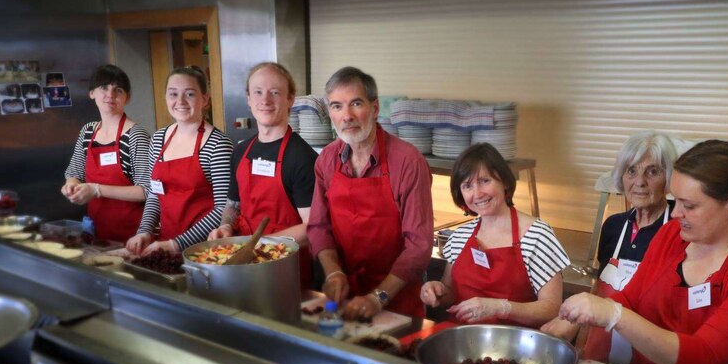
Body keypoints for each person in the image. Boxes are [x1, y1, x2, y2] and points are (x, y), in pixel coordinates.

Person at [544, 140, 728, 364]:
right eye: (675, 200)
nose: (676, 213)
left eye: (688, 205)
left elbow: (704, 356)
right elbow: (630, 298)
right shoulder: (673, 236)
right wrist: (575, 319)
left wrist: (612, 314)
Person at [307, 66, 433, 319]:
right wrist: (333, 272)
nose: (347, 116)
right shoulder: (326, 160)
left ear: (375, 109)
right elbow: (319, 227)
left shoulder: (407, 161)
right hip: (344, 296)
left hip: (397, 299)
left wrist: (379, 297)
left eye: (356, 103)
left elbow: (419, 245)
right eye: (336, 106)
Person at [421, 143, 570, 328]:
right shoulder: (459, 236)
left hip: (516, 346)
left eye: (485, 181)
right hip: (461, 341)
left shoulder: (537, 235)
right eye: (467, 186)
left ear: (505, 181)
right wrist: (436, 291)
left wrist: (501, 308)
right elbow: (450, 293)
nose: (477, 193)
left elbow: (552, 308)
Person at [573, 131, 677, 364]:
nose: (639, 182)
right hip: (601, 351)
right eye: (632, 170)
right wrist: (581, 339)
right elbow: (599, 288)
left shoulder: (679, 231)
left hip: (652, 356)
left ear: (669, 178)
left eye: (652, 171)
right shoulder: (613, 225)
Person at [208, 62, 317, 286]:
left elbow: (313, 227)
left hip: (285, 267)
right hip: (243, 263)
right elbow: (233, 205)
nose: (265, 100)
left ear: (290, 99)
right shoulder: (240, 151)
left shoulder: (302, 158)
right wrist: (226, 226)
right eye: (258, 92)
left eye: (275, 93)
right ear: (248, 99)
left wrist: (258, 243)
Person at [126, 66, 232, 255]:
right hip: (164, 245)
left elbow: (223, 208)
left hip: (206, 249)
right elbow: (154, 195)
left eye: (189, 94)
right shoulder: (158, 139)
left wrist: (177, 244)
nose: (180, 101)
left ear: (205, 99)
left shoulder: (218, 144)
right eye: (173, 94)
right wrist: (144, 232)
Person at [61, 65, 150, 242]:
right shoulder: (88, 132)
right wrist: (71, 186)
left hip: (133, 234)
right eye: (104, 87)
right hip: (97, 231)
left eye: (118, 90)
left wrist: (96, 190)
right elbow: (74, 172)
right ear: (92, 93)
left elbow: (146, 190)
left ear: (127, 98)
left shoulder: (135, 135)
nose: (110, 95)